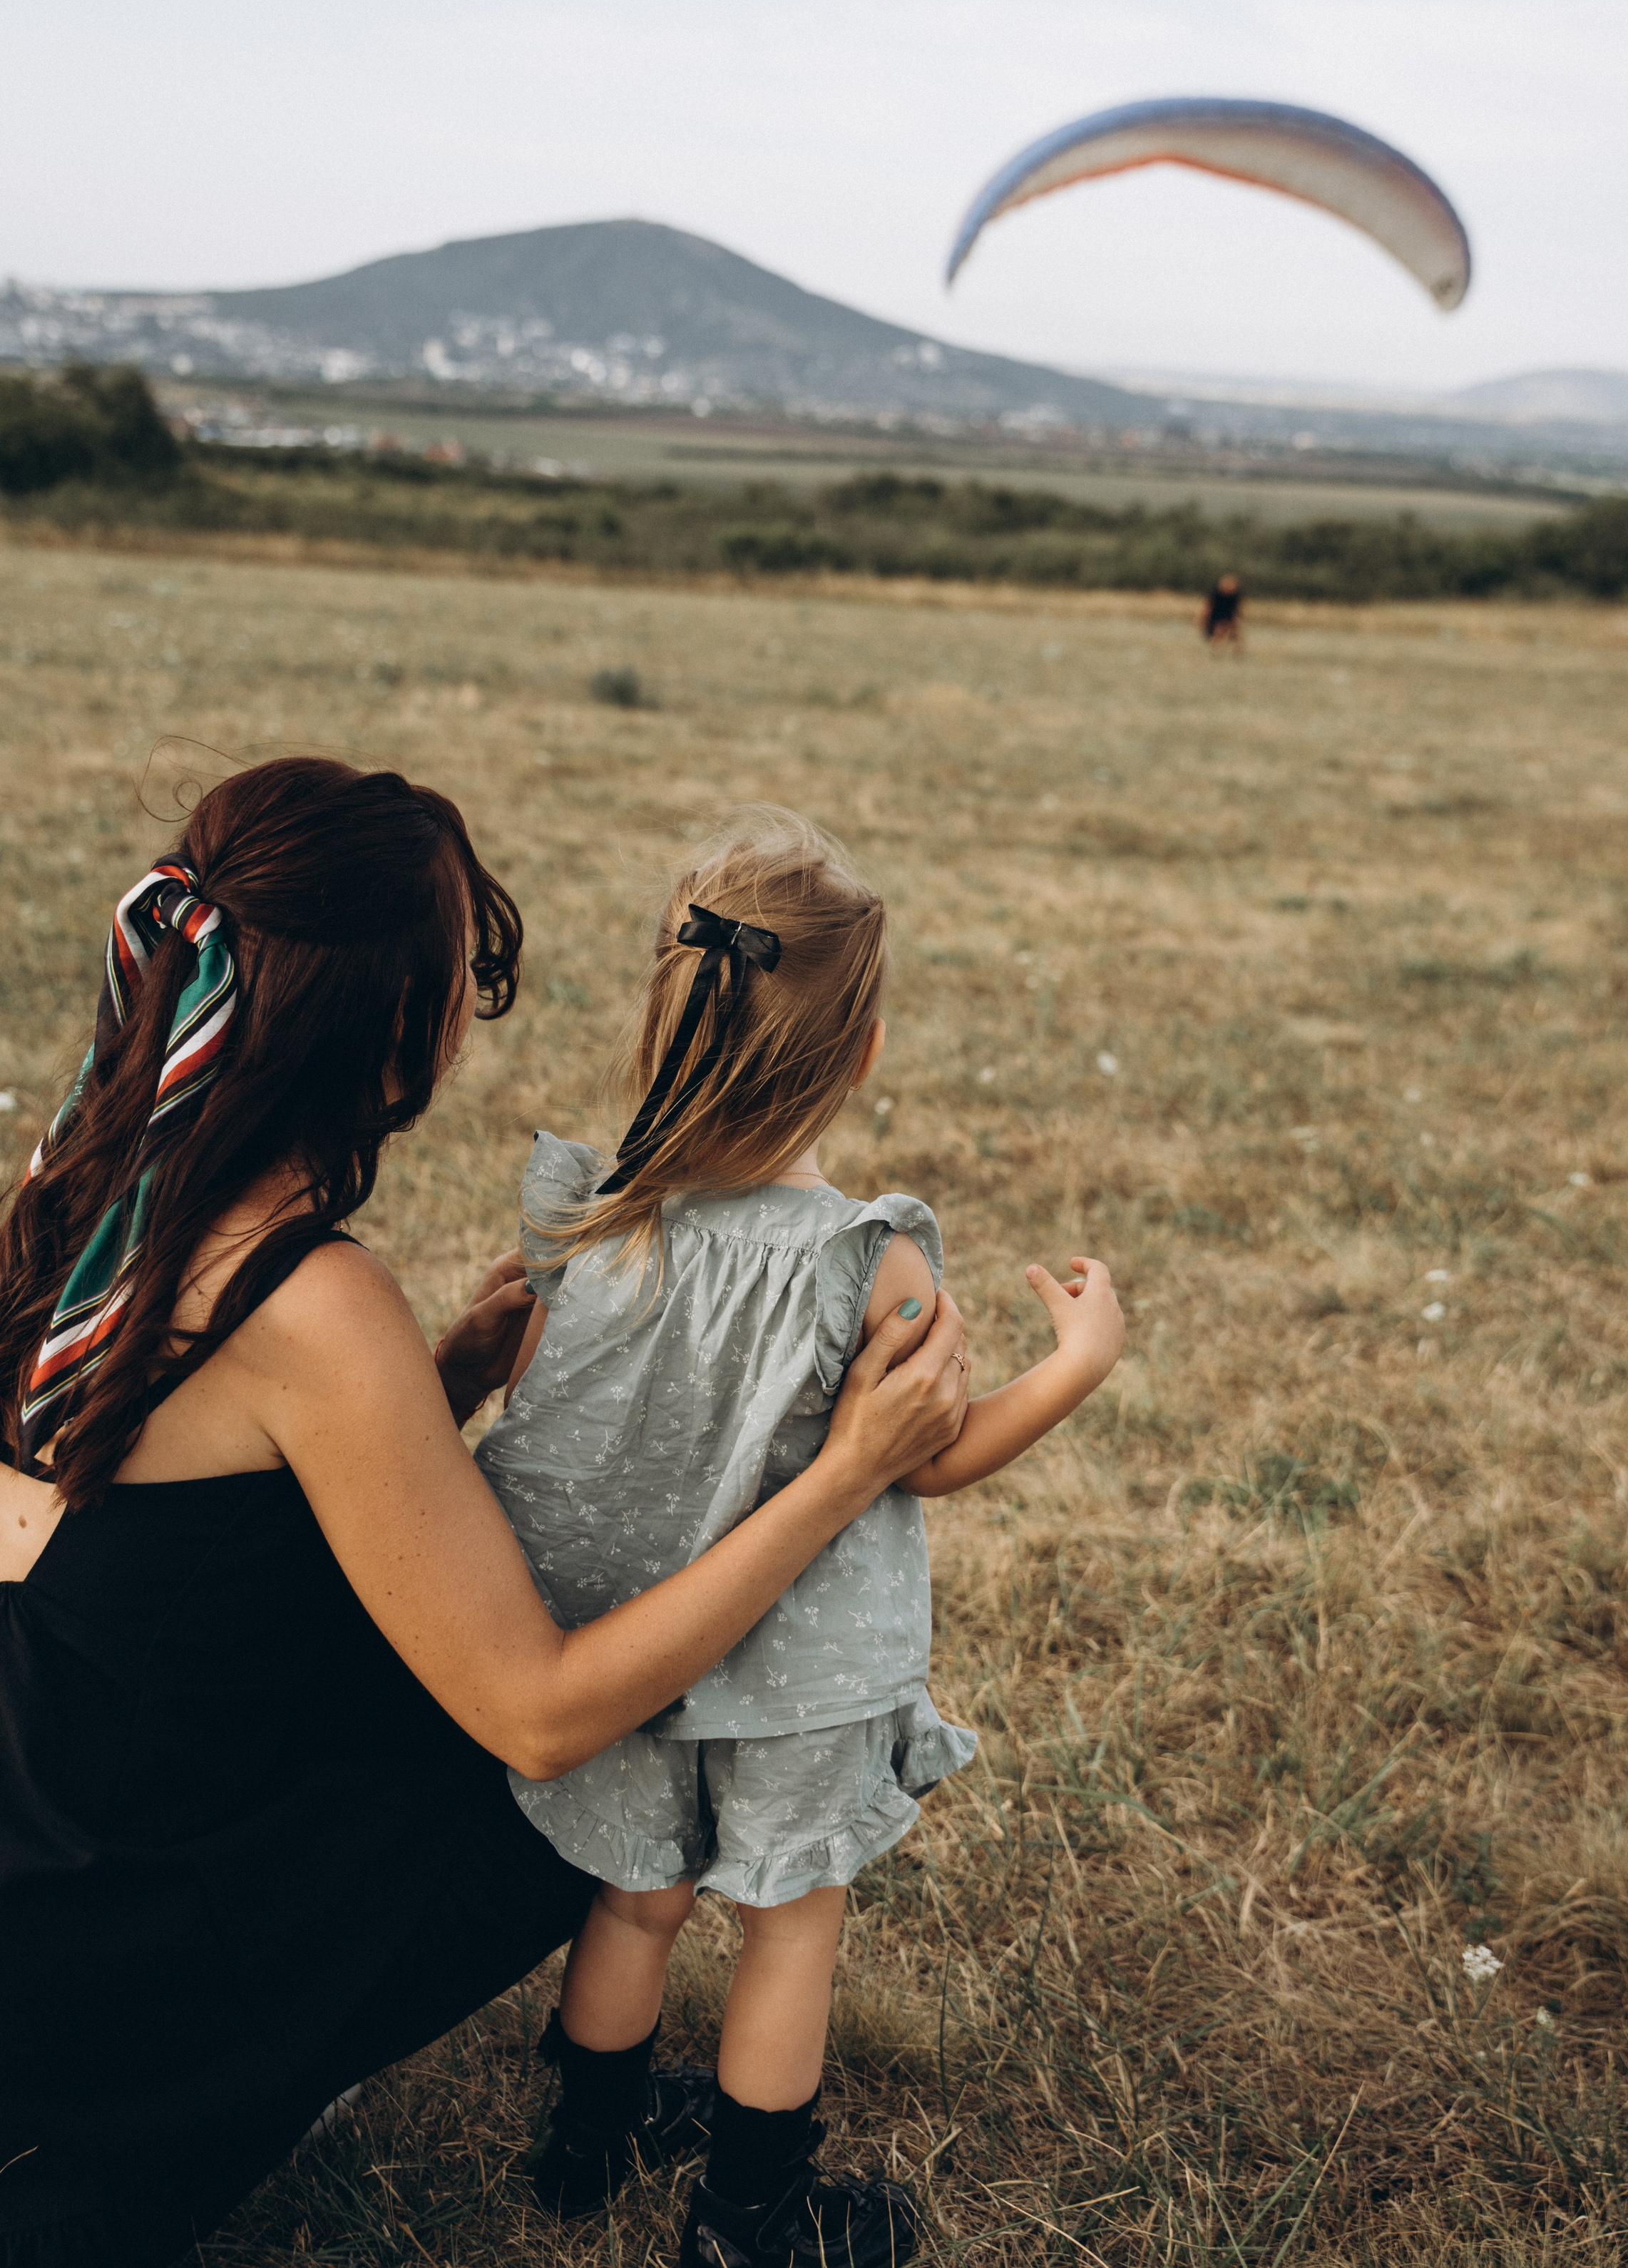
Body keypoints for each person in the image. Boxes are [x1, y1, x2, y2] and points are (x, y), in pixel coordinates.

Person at [0, 758, 974, 2268]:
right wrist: (841, 1472)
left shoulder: (72, 1187)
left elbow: (139, 1551)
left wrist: (440, 1383)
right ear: (391, 1023)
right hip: (100, 1975)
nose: (473, 1011)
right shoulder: (312, 1302)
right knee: (587, 1745)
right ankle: (242, 2053)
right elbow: (540, 1714)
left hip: (35, 1824)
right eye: (473, 974)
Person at [478, 808, 1125, 2268]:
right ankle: (748, 2214)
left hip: (624, 1644)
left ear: (667, 1011)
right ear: (862, 1046)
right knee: (789, 1921)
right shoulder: (865, 1253)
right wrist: (1072, 1363)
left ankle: (584, 2147)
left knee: (633, 1897)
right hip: (801, 1674)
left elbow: (550, 1419)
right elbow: (937, 1453)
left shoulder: (585, 1215)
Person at [1202, 571, 1244, 653]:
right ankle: (1215, 650)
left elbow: (1239, 609)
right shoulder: (1215, 594)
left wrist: (1239, 620)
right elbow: (1207, 608)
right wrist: (1204, 622)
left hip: (1229, 616)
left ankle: (1238, 651)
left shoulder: (1235, 596)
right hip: (1216, 616)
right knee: (1219, 631)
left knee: (1237, 633)